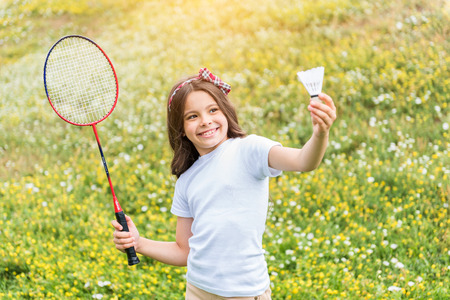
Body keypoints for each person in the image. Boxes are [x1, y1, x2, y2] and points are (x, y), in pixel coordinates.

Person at [112, 68, 337, 299]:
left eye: (212, 110)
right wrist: (139, 243)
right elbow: (183, 251)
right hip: (198, 290)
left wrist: (320, 134)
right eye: (192, 116)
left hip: (246, 292)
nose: (205, 121)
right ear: (180, 129)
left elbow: (303, 161)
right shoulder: (187, 180)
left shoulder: (249, 149)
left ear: (226, 112)